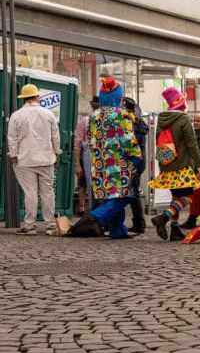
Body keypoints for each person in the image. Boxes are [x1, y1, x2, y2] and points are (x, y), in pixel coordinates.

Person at [72, 78, 142, 239]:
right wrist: (136, 156)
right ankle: (95, 216)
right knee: (125, 194)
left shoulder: (93, 116)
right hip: (119, 163)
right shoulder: (120, 115)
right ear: (119, 96)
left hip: (99, 163)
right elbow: (127, 139)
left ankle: (118, 230)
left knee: (112, 194)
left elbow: (88, 139)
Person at [148, 87, 200, 241]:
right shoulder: (184, 119)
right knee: (189, 196)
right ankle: (163, 218)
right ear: (182, 103)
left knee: (176, 197)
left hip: (167, 164)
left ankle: (174, 230)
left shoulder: (162, 119)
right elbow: (192, 144)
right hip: (183, 165)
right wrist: (199, 165)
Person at [7, 84, 61, 235]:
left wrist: (14, 155)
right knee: (48, 192)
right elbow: (55, 137)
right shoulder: (48, 114)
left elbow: (12, 138)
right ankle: (50, 223)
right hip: (46, 159)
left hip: (25, 160)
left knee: (30, 192)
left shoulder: (17, 115)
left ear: (24, 98)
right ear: (37, 96)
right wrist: (57, 153)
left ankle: (30, 225)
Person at [123, 97, 148, 234]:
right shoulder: (138, 123)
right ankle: (139, 222)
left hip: (135, 162)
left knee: (133, 192)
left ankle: (139, 223)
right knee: (133, 191)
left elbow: (130, 143)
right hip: (138, 161)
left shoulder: (134, 124)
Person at [73, 96, 99, 215]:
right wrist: (78, 164)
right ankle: (85, 209)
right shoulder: (84, 121)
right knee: (85, 184)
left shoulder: (85, 121)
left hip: (97, 156)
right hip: (88, 157)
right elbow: (77, 144)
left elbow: (77, 145)